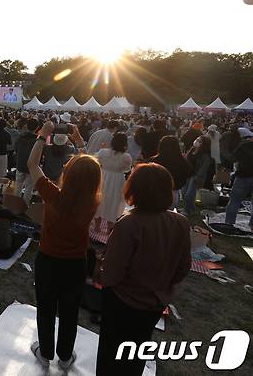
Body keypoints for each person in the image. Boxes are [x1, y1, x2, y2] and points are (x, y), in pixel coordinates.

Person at [97, 163, 191, 376]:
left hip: (122, 302)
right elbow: (183, 267)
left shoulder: (129, 224)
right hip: (155, 303)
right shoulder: (180, 222)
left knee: (110, 355)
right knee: (137, 351)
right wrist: (162, 284)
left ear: (134, 189)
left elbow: (112, 274)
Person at [27, 121, 102, 371]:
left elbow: (32, 165)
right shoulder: (92, 201)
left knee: (46, 310)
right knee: (70, 313)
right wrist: (79, 140)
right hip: (76, 264)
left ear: (67, 173)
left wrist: (43, 135)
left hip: (48, 260)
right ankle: (65, 356)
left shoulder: (53, 195)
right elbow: (89, 170)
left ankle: (45, 352)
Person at [95, 133, 132, 229]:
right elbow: (127, 169)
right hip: (117, 180)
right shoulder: (126, 157)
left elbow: (96, 161)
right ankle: (109, 230)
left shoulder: (102, 152)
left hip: (103, 177)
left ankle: (96, 227)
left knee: (100, 200)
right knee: (114, 202)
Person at [151, 136, 191, 208]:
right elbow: (186, 175)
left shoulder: (154, 161)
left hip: (156, 192)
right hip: (173, 192)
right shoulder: (183, 162)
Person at [225, 128, 253, 230]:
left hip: (243, 176)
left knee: (235, 201)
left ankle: (229, 224)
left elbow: (233, 158)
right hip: (244, 175)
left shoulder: (243, 145)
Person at [183, 135, 214, 215]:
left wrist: (197, 177)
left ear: (204, 144)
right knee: (184, 192)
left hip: (196, 176)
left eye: (199, 141)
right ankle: (190, 208)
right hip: (188, 174)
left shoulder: (205, 155)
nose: (196, 142)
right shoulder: (192, 150)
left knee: (189, 194)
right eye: (197, 139)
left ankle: (187, 210)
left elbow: (204, 168)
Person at [14, 119, 39, 203]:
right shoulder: (37, 140)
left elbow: (16, 149)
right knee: (29, 187)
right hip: (31, 167)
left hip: (20, 164)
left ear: (27, 126)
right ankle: (25, 206)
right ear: (37, 128)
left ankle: (16, 203)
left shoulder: (20, 137)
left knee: (18, 185)